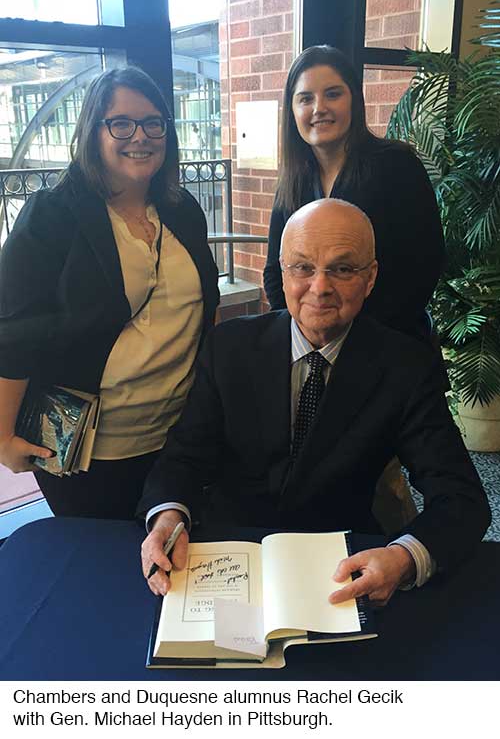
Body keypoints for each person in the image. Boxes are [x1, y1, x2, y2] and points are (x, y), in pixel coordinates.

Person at [138, 199, 490, 606]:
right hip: (226, 557)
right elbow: (183, 457)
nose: (320, 287)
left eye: (342, 269)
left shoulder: (404, 367)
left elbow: (462, 499)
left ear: (371, 277)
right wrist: (167, 517)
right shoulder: (229, 347)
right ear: (283, 272)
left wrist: (403, 558)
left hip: (341, 564)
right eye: (303, 267)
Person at [0, 67, 219, 519]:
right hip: (85, 447)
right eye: (121, 123)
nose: (140, 136)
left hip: (176, 436)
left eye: (154, 123)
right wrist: (2, 436)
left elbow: (203, 307)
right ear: (92, 132)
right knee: (100, 552)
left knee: (172, 548)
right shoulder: (52, 216)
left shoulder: (182, 210)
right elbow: (14, 331)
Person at [264, 45, 445, 341]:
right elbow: (276, 271)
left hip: (388, 343)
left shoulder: (397, 165)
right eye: (305, 98)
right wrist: (303, 338)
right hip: (313, 347)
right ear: (292, 110)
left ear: (354, 101)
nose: (319, 108)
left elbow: (423, 266)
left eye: (333, 94)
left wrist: (350, 343)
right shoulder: (293, 180)